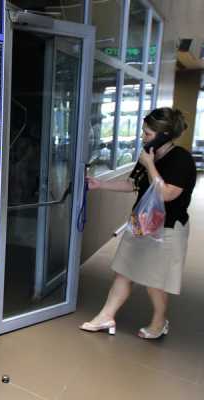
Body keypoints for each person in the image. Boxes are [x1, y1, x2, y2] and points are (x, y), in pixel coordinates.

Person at [80, 107, 197, 339]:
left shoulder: (181, 159)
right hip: (141, 223)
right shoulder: (148, 154)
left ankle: (159, 322)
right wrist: (100, 184)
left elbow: (166, 194)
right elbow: (133, 183)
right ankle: (106, 316)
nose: (143, 137)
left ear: (164, 135)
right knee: (124, 271)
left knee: (155, 282)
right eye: (144, 132)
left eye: (148, 134)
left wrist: (150, 164)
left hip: (167, 228)